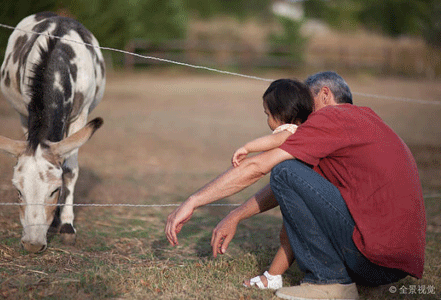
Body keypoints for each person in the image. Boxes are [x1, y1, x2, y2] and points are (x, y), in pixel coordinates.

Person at [165, 71, 426, 300]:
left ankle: (329, 282)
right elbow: (297, 189)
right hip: (394, 265)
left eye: (306, 103)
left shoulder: (330, 119)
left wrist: (193, 201)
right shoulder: (366, 120)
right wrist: (236, 215)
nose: (301, 115)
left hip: (374, 259)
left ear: (325, 95)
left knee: (283, 170)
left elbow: (263, 168)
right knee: (289, 172)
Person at [231, 79, 313, 290]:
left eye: (268, 114)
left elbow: (275, 140)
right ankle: (278, 274)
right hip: (306, 196)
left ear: (283, 113)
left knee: (288, 237)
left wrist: (247, 147)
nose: (267, 119)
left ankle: (274, 276)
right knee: (290, 236)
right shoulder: (310, 130)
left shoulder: (292, 131)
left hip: (303, 199)